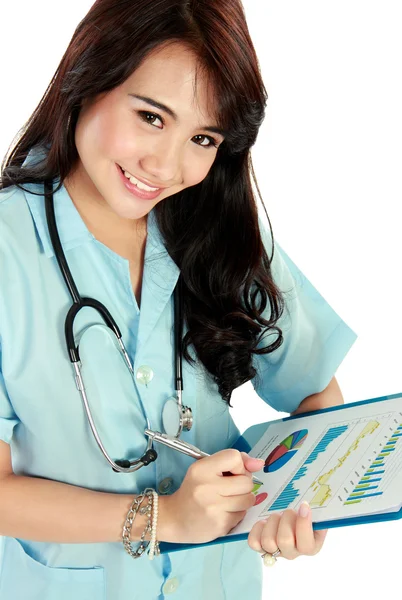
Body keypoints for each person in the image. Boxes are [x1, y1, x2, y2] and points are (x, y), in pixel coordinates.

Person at [0, 1, 358, 598]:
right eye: (150, 116)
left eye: (201, 137)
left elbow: (314, 390)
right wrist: (163, 517)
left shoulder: (223, 232)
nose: (164, 166)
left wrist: (299, 500)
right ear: (86, 77)